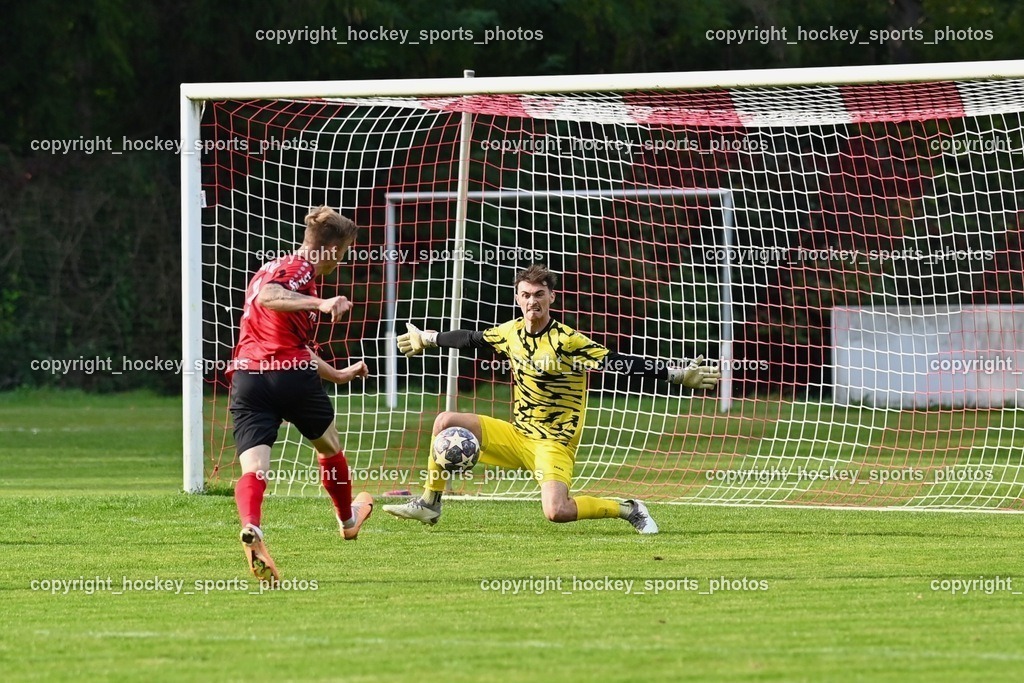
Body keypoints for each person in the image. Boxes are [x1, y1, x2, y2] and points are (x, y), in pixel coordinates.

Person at [384, 263, 720, 534]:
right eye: (526, 295)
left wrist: (677, 375)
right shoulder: (509, 332)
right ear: (518, 298)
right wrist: (428, 339)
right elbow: (471, 338)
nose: (533, 301)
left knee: (557, 511)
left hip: (553, 444)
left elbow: (620, 362)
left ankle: (628, 508)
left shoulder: (567, 341)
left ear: (552, 298)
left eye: (539, 294)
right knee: (446, 420)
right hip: (517, 436)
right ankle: (430, 503)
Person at [229, 206, 373, 585]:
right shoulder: (299, 269)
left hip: (248, 377)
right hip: (289, 377)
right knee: (330, 447)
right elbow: (269, 297)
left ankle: (251, 526)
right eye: (341, 253)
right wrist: (321, 303)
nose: (339, 261)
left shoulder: (272, 267)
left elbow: (295, 340)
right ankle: (347, 521)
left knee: (254, 468)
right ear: (330, 249)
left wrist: (338, 374)